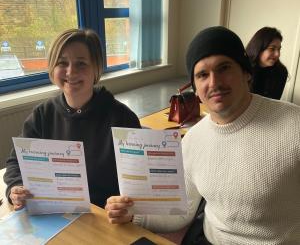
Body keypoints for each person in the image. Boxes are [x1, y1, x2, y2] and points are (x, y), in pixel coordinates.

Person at [105, 26, 300, 244]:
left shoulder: (294, 126)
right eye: (202, 75)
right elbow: (182, 212)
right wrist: (133, 214)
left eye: (224, 67)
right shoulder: (194, 139)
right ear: (196, 89)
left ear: (246, 73)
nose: (214, 83)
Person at [4, 28, 141, 210]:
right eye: (62, 63)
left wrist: (126, 207)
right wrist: (15, 188)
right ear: (53, 70)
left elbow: (139, 179)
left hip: (105, 218)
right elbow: (15, 162)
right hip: (54, 212)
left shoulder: (122, 118)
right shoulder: (41, 116)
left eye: (81, 63)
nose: (70, 71)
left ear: (96, 69)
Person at [246, 26, 288, 99]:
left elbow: (273, 103)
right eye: (272, 49)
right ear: (258, 48)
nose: (277, 54)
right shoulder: (242, 67)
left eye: (279, 49)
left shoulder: (281, 71)